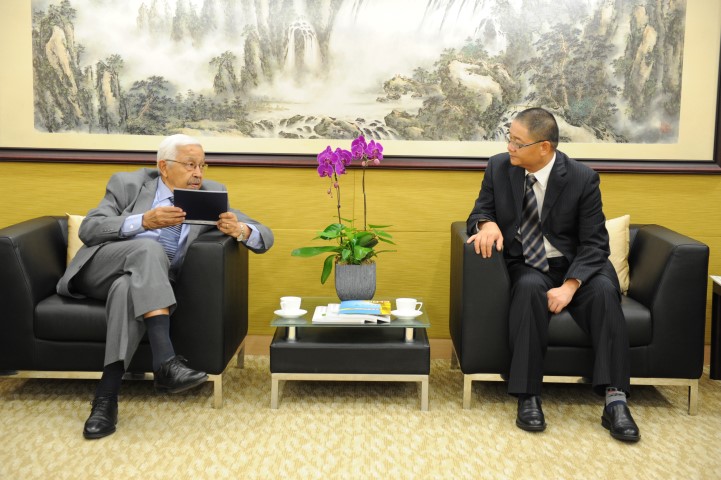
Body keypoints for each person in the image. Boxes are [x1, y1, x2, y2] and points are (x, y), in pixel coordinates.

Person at [57, 134, 274, 439]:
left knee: (127, 289)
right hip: (100, 270)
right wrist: (143, 221)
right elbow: (91, 229)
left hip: (147, 282)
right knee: (148, 248)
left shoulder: (209, 196)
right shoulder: (128, 184)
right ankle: (165, 361)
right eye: (190, 165)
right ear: (164, 167)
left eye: (202, 165)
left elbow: (265, 236)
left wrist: (240, 229)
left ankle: (106, 398)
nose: (198, 173)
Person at [465, 107, 640, 442]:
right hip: (529, 263)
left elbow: (595, 243)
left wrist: (570, 286)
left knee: (605, 293)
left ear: (544, 147)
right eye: (509, 139)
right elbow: (480, 210)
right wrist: (486, 223)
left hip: (578, 265)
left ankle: (615, 401)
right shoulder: (499, 167)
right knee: (528, 290)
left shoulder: (581, 178)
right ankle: (528, 396)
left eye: (518, 143)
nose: (509, 147)